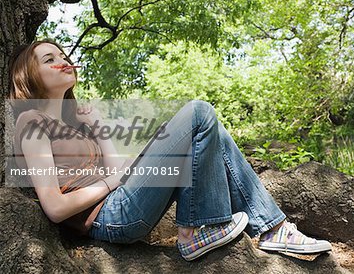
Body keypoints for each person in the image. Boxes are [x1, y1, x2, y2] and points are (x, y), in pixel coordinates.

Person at [8, 40, 332, 261]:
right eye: (49, 60)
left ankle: (272, 228)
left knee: (210, 129)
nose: (62, 61)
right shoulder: (33, 123)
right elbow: (54, 207)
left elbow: (115, 171)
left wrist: (97, 126)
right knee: (198, 112)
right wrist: (110, 184)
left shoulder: (75, 122)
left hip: (119, 203)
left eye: (63, 56)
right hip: (110, 217)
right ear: (28, 76)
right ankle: (199, 229)